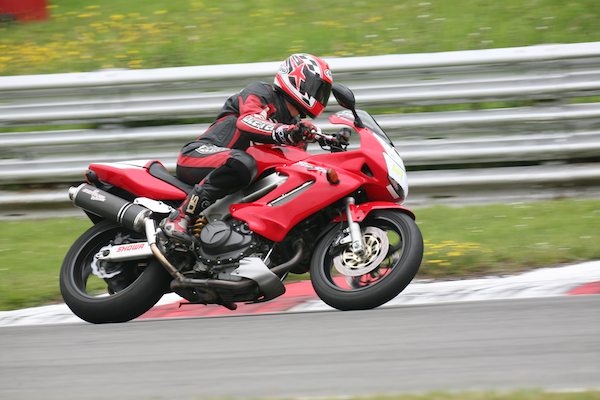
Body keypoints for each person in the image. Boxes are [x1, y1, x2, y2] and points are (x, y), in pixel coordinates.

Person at [161, 53, 334, 243]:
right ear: (298, 79)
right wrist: (286, 132)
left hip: (237, 174)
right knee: (242, 162)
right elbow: (248, 121)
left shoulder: (296, 129)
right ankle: (179, 218)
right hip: (198, 154)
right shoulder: (261, 92)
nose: (320, 96)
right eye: (318, 89)